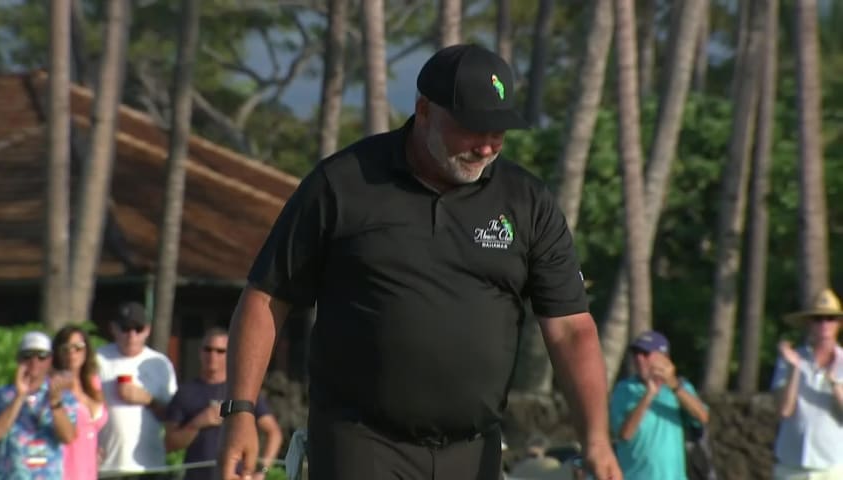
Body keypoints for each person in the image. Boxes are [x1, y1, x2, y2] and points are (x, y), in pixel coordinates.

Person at [218, 43, 621, 480]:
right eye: (472, 128)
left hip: (474, 450)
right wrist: (240, 411)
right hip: (361, 445)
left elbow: (571, 328)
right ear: (424, 109)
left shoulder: (528, 202)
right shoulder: (342, 183)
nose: (487, 147)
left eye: (499, 132)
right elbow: (265, 298)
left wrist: (595, 441)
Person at [166, 327, 283, 480]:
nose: (212, 355)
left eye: (220, 351)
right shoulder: (185, 392)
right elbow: (169, 443)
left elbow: (274, 433)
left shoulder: (242, 392)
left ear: (230, 354)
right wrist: (197, 423)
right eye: (208, 349)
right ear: (200, 352)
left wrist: (262, 470)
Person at [609, 331, 709, 480]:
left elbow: (702, 417)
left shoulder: (681, 388)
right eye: (636, 353)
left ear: (664, 358)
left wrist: (674, 386)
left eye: (645, 353)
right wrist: (649, 395)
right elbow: (624, 435)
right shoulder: (624, 389)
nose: (639, 358)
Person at [97, 301, 178, 479]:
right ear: (113, 329)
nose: (131, 335)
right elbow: (81, 409)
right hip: (107, 467)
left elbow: (174, 416)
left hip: (148, 467)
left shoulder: (160, 364)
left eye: (138, 329)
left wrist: (148, 400)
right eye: (125, 328)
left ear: (147, 330)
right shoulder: (97, 360)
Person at [771, 288, 843, 480]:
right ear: (808, 324)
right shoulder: (791, 359)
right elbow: (784, 410)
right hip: (792, 466)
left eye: (830, 319)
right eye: (818, 319)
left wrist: (834, 382)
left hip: (832, 466)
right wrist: (795, 369)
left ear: (839, 324)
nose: (824, 325)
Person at [0, 331, 77, 479]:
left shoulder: (64, 395)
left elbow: (68, 437)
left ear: (50, 360)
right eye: (27, 355)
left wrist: (55, 403)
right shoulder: (0, 395)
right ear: (18, 359)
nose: (34, 362)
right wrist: (19, 396)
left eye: (41, 356)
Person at [53, 325, 108, 480]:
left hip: (89, 469)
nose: (72, 353)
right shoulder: (54, 386)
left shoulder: (94, 383)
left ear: (86, 351)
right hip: (63, 469)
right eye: (66, 348)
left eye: (78, 347)